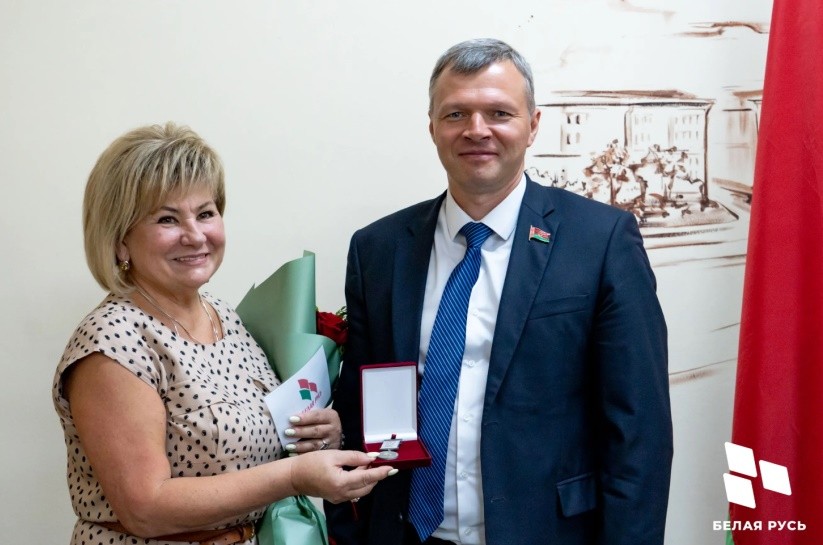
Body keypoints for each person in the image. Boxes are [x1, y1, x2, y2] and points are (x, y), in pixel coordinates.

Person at [326, 39, 672, 545]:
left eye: (499, 113)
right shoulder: (378, 250)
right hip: (406, 535)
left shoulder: (600, 242)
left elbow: (638, 431)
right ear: (432, 128)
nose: (476, 129)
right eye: (455, 113)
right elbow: (361, 405)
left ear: (533, 124)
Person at [53, 122, 396, 545]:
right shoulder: (113, 342)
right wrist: (293, 475)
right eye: (167, 219)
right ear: (120, 241)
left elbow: (241, 449)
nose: (195, 235)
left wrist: (317, 437)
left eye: (205, 213)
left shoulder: (223, 317)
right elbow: (145, 509)